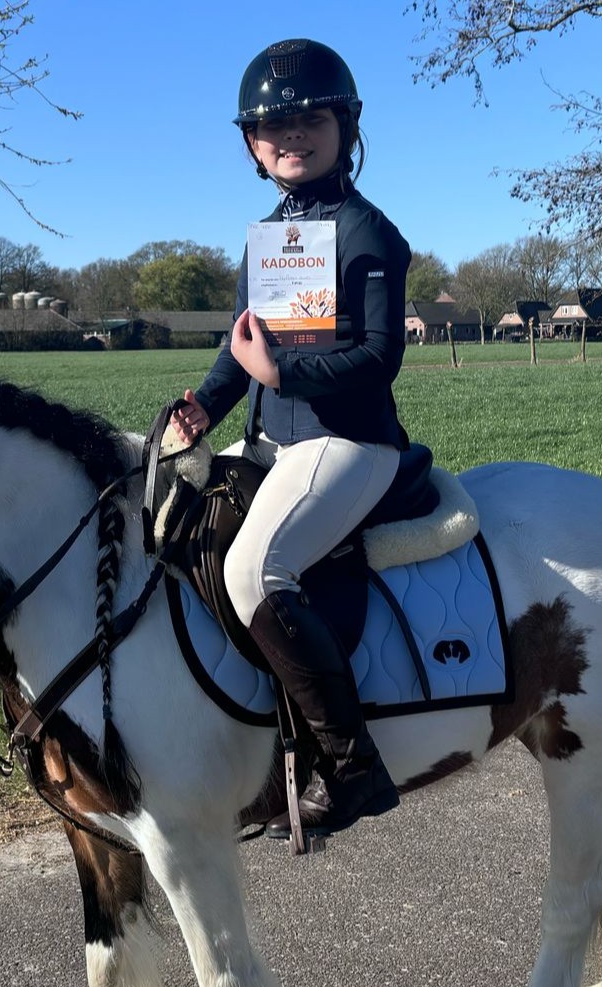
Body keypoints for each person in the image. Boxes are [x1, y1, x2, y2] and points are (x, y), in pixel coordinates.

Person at [169, 38, 412, 840]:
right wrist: (204, 406)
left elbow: (381, 357)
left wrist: (284, 380)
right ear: (250, 145)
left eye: (310, 119)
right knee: (179, 534)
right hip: (273, 443)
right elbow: (241, 349)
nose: (291, 137)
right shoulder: (266, 241)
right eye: (273, 128)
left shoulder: (370, 232)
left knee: (253, 567)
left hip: (349, 443)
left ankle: (351, 766)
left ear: (345, 125)